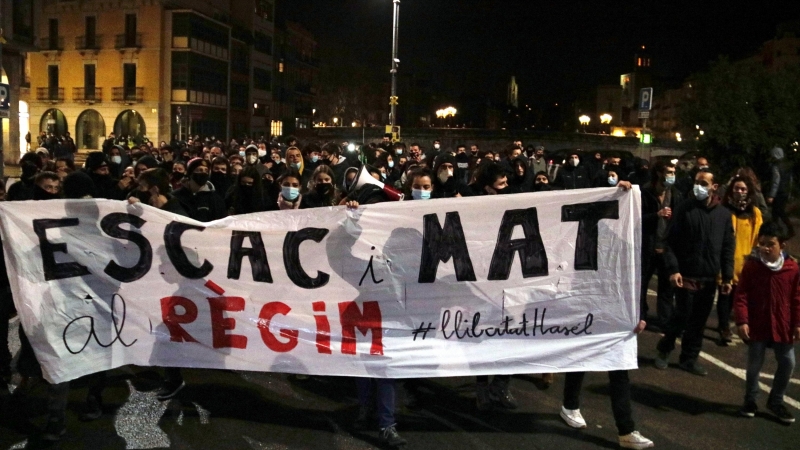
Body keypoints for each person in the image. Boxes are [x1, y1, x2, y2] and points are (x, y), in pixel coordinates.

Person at [655, 168, 734, 376]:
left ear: (714, 187)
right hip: (686, 275)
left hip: (708, 278)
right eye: (697, 182)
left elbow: (727, 247)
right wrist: (673, 270)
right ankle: (665, 348)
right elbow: (669, 242)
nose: (699, 187)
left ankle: (689, 358)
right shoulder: (684, 209)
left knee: (699, 321)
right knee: (681, 316)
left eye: (704, 183)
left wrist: (727, 276)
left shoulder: (724, 215)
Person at [734, 222, 800, 423]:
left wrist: (797, 323)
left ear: (783, 245)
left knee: (788, 362)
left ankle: (776, 401)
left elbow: (797, 297)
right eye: (762, 244)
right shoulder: (753, 266)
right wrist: (742, 320)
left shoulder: (792, 268)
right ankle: (750, 400)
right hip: (758, 323)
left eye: (771, 244)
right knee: (754, 364)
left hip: (782, 324)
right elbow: (742, 295)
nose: (766, 248)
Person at [560, 322, 654, 449]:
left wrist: (641, 316)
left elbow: (637, 300)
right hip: (589, 313)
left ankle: (626, 431)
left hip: (617, 321)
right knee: (581, 357)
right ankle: (570, 406)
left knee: (620, 370)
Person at [716, 175, 763, 345]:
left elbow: (758, 237)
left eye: (743, 189)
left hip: (746, 262)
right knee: (725, 296)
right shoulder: (723, 210)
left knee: (743, 298)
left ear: (749, 191)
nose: (740, 192)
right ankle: (723, 328)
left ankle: (744, 327)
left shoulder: (754, 213)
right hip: (727, 261)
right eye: (736, 189)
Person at [640, 161, 682, 330]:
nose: (671, 175)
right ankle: (641, 315)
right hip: (647, 247)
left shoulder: (675, 195)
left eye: (673, 172)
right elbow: (636, 219)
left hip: (666, 248)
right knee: (642, 284)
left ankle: (665, 321)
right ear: (658, 173)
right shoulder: (645, 193)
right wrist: (656, 215)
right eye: (668, 172)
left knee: (666, 288)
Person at [173, 158, 227, 223]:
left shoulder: (215, 199)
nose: (203, 173)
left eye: (206, 170)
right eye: (199, 170)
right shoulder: (176, 196)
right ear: (191, 173)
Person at [766, 146, 794, 238]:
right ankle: (779, 231)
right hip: (785, 192)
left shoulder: (776, 166)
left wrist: (771, 195)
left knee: (778, 213)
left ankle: (783, 231)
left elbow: (776, 181)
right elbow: (790, 180)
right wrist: (789, 193)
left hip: (778, 193)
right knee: (778, 213)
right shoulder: (787, 166)